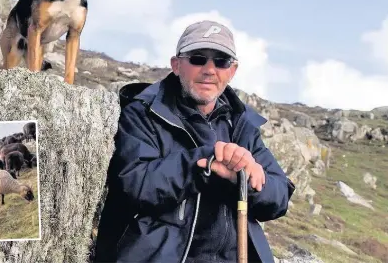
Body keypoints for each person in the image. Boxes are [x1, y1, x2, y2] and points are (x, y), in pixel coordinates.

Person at [93, 20, 295, 263]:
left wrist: (241, 179)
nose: (210, 70)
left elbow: (279, 196)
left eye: (221, 61)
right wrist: (206, 163)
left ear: (232, 71)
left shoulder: (242, 124)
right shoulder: (143, 113)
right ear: (176, 65)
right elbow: (137, 184)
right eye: (198, 58)